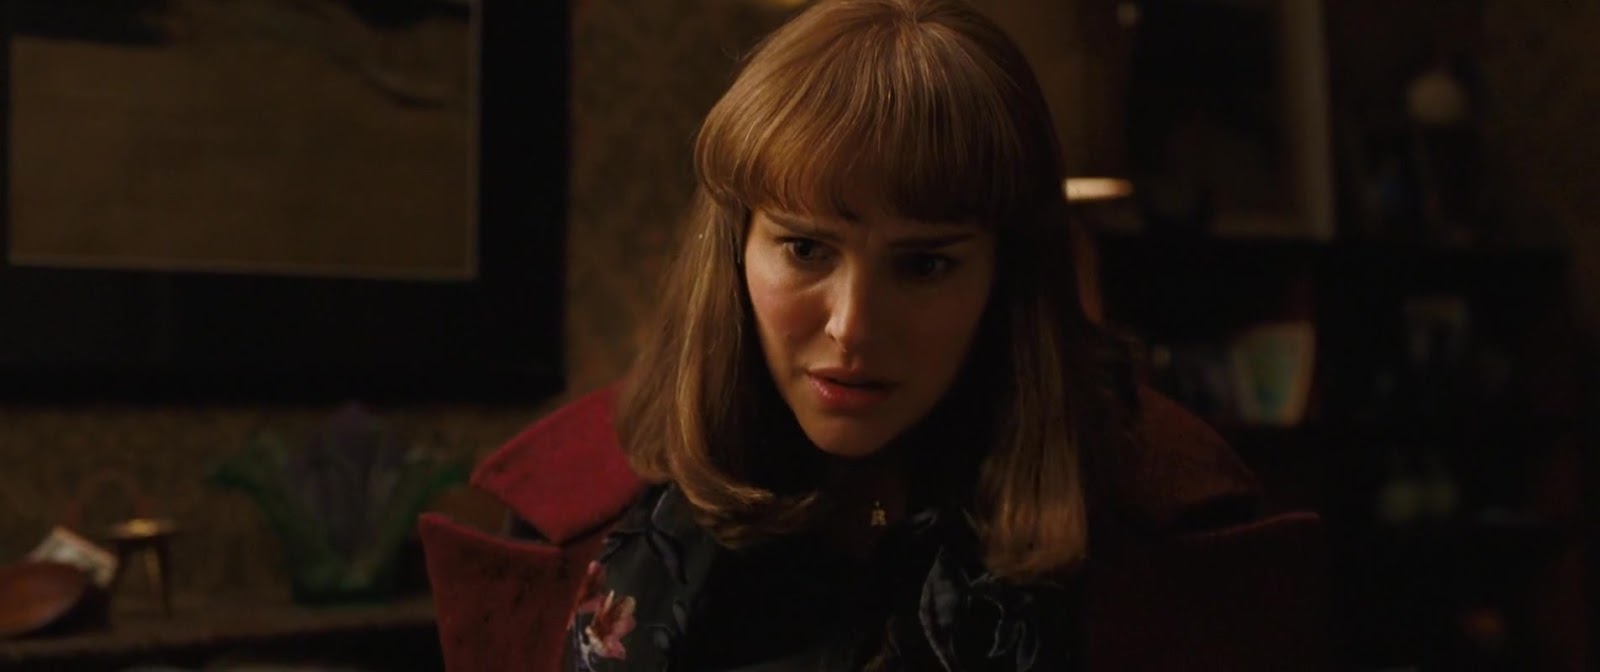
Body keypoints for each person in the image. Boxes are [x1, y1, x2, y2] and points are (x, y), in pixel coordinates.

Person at [420, 1, 1285, 670]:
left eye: (925, 265)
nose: (853, 325)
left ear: (1006, 278)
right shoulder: (575, 511)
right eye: (805, 249)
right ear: (736, 251)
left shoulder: (1165, 523)